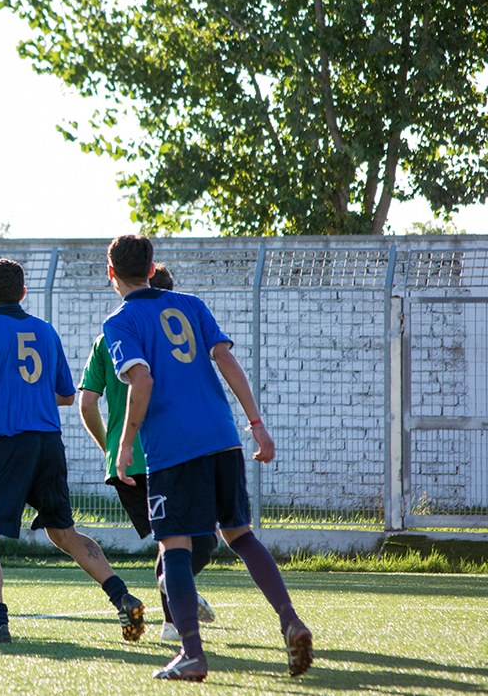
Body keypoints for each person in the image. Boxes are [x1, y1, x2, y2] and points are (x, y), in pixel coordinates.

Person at [103, 235, 312, 681]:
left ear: (111, 272)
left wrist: (124, 444)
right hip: (223, 437)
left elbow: (141, 381)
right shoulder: (192, 304)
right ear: (152, 265)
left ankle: (192, 654)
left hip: (173, 450)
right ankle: (289, 619)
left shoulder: (120, 321)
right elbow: (225, 360)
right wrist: (256, 423)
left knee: (173, 546)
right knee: (240, 535)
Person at [0, 258, 146, 644]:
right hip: (48, 443)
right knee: (64, 532)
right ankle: (122, 596)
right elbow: (64, 395)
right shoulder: (45, 331)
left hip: (8, 443)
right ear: (24, 293)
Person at [78, 264, 218, 642]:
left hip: (134, 460)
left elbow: (87, 402)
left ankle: (176, 598)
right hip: (165, 455)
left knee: (174, 541)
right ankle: (175, 613)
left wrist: (110, 447)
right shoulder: (169, 335)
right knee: (193, 541)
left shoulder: (110, 334)